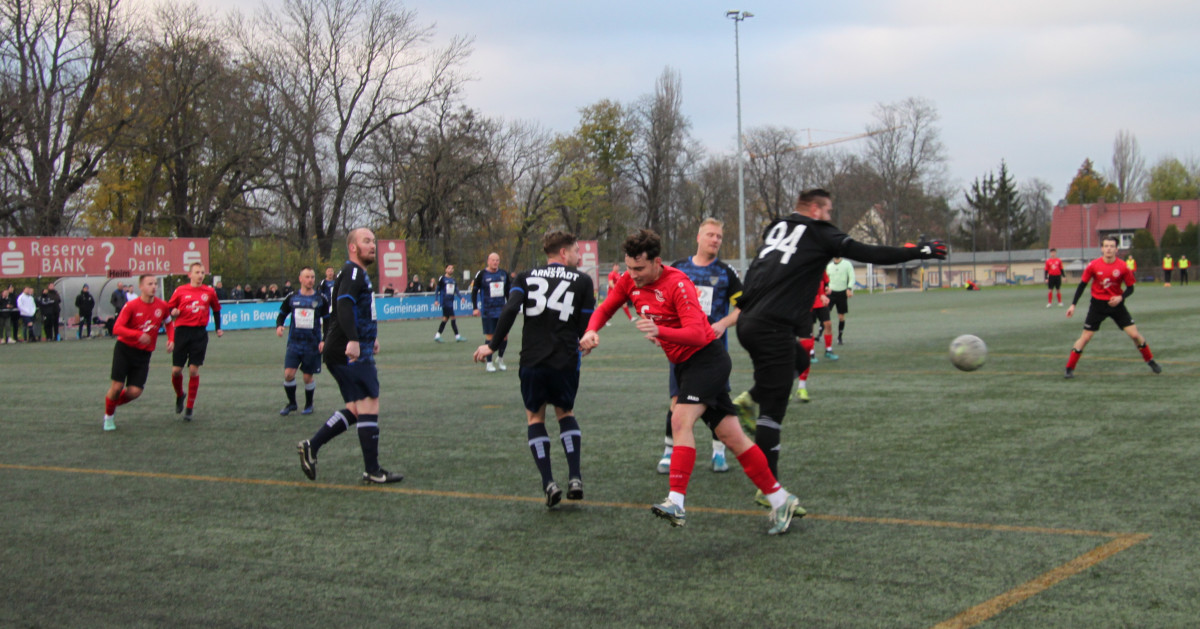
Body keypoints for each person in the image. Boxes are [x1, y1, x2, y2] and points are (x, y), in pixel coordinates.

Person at [733, 188, 946, 509]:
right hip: (771, 327)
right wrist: (920, 251)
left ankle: (750, 399)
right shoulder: (819, 232)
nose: (830, 218)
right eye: (829, 211)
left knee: (800, 358)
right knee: (772, 415)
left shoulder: (776, 227)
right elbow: (868, 252)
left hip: (748, 322)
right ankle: (770, 492)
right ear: (815, 210)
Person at [583, 229, 803, 535]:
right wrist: (591, 331)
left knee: (680, 419)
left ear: (657, 262)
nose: (632, 275)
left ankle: (676, 501)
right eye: (629, 268)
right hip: (685, 367)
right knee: (733, 437)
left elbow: (699, 334)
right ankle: (781, 500)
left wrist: (660, 331)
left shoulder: (678, 283)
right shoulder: (629, 281)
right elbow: (606, 307)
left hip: (708, 361)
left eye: (639, 268)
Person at [473, 231, 594, 506]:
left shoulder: (525, 277)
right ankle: (575, 477)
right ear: (563, 253)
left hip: (532, 361)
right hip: (565, 360)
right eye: (576, 251)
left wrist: (492, 345)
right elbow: (586, 322)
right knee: (565, 413)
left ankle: (549, 483)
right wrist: (586, 337)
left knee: (535, 418)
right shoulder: (583, 280)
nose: (579, 256)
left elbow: (510, 310)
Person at [297, 228, 403, 484]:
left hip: (346, 349)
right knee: (369, 403)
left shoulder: (357, 273)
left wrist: (369, 337)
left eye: (373, 241)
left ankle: (312, 446)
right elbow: (344, 305)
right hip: (347, 350)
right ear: (353, 247)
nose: (372, 245)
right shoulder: (353, 272)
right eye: (366, 241)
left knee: (356, 409)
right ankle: (372, 470)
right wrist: (354, 340)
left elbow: (358, 309)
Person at [656, 218, 743, 475]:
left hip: (713, 354)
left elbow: (744, 306)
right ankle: (669, 451)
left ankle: (718, 453)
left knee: (717, 402)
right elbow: (661, 301)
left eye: (719, 236)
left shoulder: (726, 272)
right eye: (710, 235)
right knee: (677, 400)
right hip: (681, 351)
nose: (715, 240)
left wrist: (723, 323)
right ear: (698, 237)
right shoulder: (678, 268)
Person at [1064, 236, 1161, 379]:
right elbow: (1082, 285)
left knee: (1134, 335)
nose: (1108, 249)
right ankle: (1069, 368)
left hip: (1117, 305)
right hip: (1097, 305)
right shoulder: (1093, 265)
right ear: (1102, 249)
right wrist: (1073, 305)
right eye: (1106, 246)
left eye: (1112, 246)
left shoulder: (1123, 266)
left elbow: (1130, 288)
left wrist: (1121, 297)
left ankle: (1150, 360)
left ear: (1116, 249)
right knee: (1086, 337)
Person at [102, 274, 175, 431]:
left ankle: (111, 403)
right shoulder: (131, 306)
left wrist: (171, 339)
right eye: (150, 284)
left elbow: (169, 323)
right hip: (124, 350)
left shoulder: (162, 306)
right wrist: (137, 335)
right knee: (117, 387)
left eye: (155, 284)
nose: (154, 286)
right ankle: (108, 417)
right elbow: (116, 328)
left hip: (143, 354)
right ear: (141, 287)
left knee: (135, 392)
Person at [166, 263, 223, 421]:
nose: (200, 275)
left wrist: (218, 328)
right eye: (197, 272)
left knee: (193, 370)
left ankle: (189, 408)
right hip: (181, 333)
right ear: (189, 274)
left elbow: (216, 309)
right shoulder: (180, 290)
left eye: (202, 272)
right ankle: (180, 395)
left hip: (199, 334)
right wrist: (173, 312)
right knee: (176, 371)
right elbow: (169, 308)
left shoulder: (209, 291)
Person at [276, 267, 329, 415]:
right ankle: (292, 403)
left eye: (312, 277)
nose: (310, 280)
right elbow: (282, 314)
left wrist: (324, 340)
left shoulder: (321, 298)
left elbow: (328, 321)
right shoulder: (292, 297)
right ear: (300, 279)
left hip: (312, 344)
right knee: (288, 374)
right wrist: (279, 325)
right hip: (294, 343)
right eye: (307, 277)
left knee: (307, 377)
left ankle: (309, 404)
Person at [471, 252, 512, 371]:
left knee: (504, 336)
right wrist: (475, 308)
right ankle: (489, 363)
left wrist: (510, 305)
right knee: (490, 336)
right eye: (493, 260)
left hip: (502, 311)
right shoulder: (481, 274)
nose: (495, 262)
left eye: (497, 260)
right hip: (488, 311)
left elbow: (508, 291)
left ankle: (500, 358)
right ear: (488, 261)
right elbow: (474, 291)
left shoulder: (503, 274)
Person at [433, 264, 465, 342]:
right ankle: (457, 336)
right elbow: (437, 290)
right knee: (453, 317)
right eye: (449, 268)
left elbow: (456, 290)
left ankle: (437, 335)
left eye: (452, 268)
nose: (451, 269)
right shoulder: (442, 279)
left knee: (445, 319)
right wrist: (436, 300)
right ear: (446, 270)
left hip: (450, 302)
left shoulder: (453, 280)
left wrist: (461, 298)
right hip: (445, 302)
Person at [826, 256, 854, 344]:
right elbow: (825, 280)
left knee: (841, 316)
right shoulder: (829, 266)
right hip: (831, 293)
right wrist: (825, 288)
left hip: (842, 293)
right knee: (825, 314)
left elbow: (852, 277)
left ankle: (839, 337)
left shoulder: (847, 264)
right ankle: (819, 334)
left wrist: (849, 288)